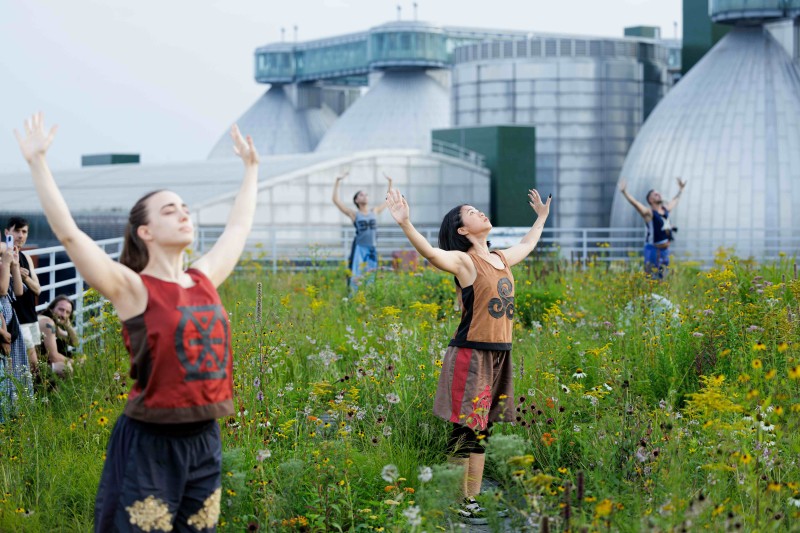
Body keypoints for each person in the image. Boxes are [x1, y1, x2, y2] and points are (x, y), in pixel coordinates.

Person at [15, 112, 259, 531]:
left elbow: (238, 227)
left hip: (205, 440)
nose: (184, 214)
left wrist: (251, 170)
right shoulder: (133, 288)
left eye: (185, 208)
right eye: (170, 210)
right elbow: (71, 235)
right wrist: (38, 163)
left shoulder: (203, 279)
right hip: (152, 443)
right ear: (145, 231)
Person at [385, 187, 551, 524]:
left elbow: (527, 245)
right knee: (465, 431)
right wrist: (406, 225)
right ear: (463, 230)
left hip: (499, 355)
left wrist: (541, 219)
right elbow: (432, 255)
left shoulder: (500, 258)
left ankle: (470, 498)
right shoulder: (464, 261)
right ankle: (456, 499)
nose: (480, 212)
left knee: (483, 430)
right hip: (470, 356)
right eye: (471, 212)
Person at [332, 172, 392, 290]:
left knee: (371, 275)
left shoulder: (374, 211)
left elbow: (388, 200)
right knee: (356, 274)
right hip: (360, 248)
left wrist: (390, 182)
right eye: (361, 195)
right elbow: (335, 200)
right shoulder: (354, 214)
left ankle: (368, 298)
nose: (364, 196)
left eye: (366, 194)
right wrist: (337, 181)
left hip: (372, 248)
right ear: (356, 200)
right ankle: (353, 298)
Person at [618, 177, 687, 279]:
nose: (658, 194)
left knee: (664, 278)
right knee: (651, 278)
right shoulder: (649, 213)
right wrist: (625, 193)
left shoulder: (665, 209)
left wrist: (681, 190)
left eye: (658, 193)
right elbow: (636, 204)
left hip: (665, 250)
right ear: (650, 200)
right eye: (655, 194)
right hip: (653, 250)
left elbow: (674, 201)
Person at [0, 241, 33, 422]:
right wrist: (5, 263)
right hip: (2, 329)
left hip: (11, 324)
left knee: (15, 374)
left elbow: (18, 291)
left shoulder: (3, 262)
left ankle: (16, 417)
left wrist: (14, 265)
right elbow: (2, 290)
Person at [5, 217, 42, 372]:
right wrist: (13, 271)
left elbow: (37, 289)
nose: (20, 236)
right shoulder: (4, 258)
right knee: (29, 365)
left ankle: (35, 395)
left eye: (24, 231)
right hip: (16, 320)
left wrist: (24, 277)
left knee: (36, 363)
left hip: (31, 316)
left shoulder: (26, 257)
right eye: (17, 231)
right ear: (7, 233)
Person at [38, 295, 79, 376]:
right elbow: (53, 357)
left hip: (40, 363)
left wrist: (68, 326)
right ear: (51, 309)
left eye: (68, 312)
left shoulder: (54, 325)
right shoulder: (48, 323)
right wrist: (76, 363)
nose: (63, 315)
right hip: (31, 367)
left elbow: (75, 343)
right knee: (66, 368)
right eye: (61, 310)